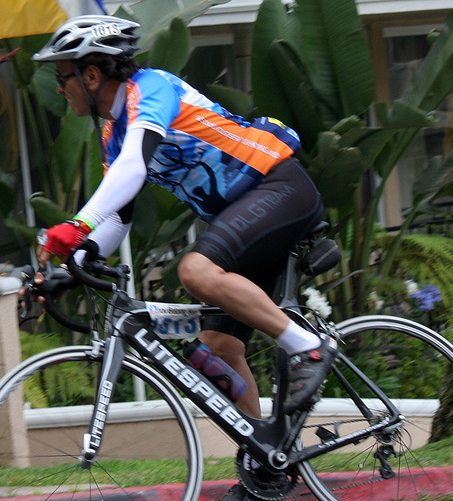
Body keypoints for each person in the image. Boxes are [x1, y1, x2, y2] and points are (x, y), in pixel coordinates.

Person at [32, 15, 338, 501]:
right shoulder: (115, 133)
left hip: (278, 185)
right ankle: (268, 471)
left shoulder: (149, 89)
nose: (58, 87)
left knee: (194, 270)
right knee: (219, 346)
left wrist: (75, 225)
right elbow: (119, 213)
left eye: (62, 75)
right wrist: (72, 267)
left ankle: (308, 348)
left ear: (91, 75)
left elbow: (134, 168)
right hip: (249, 210)